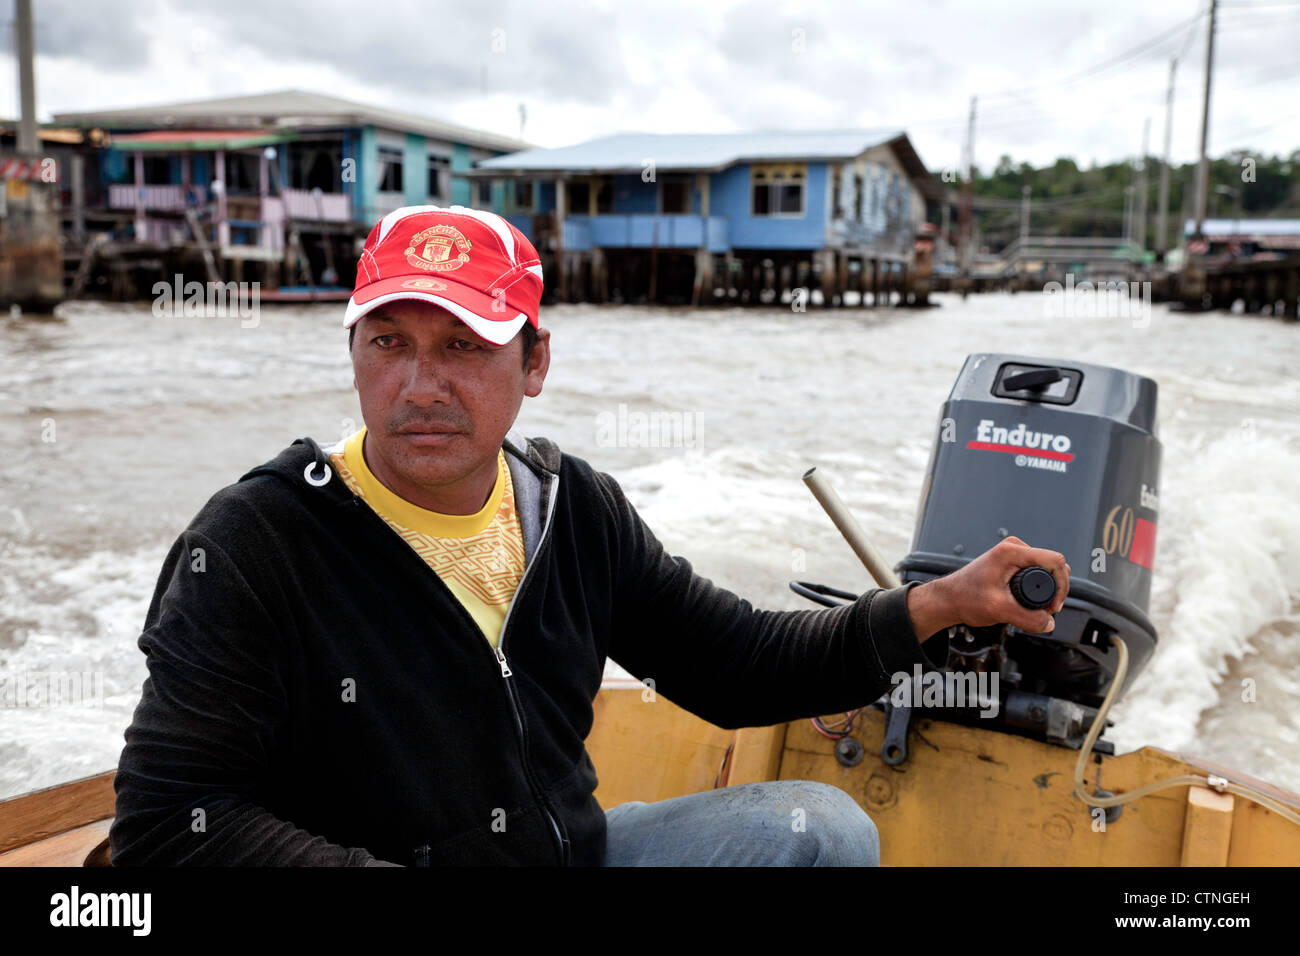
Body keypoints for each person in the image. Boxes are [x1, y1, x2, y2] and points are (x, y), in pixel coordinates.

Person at [109, 204, 1069, 867]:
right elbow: (171, 824)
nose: (419, 385)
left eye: (463, 346)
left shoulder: (571, 512)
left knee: (816, 828)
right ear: (353, 350)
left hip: (563, 853)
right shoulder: (255, 543)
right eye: (388, 341)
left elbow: (737, 664)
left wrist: (938, 605)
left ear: (535, 363)